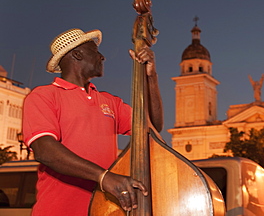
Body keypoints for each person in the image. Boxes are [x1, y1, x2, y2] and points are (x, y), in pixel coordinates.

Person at [22, 28, 164, 215]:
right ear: (77, 54)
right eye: (95, 51)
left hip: (104, 210)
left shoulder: (110, 102)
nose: (102, 57)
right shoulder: (43, 96)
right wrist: (103, 177)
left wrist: (151, 77)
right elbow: (44, 150)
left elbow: (152, 126)